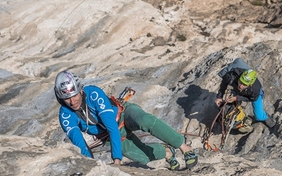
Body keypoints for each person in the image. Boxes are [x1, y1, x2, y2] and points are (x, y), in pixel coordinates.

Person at [54, 70, 197, 170]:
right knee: (143, 158)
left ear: (80, 91)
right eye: (67, 98)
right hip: (109, 137)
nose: (72, 102)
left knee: (145, 121)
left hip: (124, 115)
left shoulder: (94, 94)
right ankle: (167, 152)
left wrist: (117, 159)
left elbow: (111, 126)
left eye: (74, 96)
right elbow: (81, 145)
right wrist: (91, 167)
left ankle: (185, 148)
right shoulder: (65, 115)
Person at [215, 67, 275, 132]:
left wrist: (236, 98)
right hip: (238, 90)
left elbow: (251, 98)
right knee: (233, 107)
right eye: (240, 82)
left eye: (244, 84)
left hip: (252, 95)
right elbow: (224, 82)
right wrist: (219, 97)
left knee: (259, 116)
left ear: (250, 84)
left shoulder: (255, 89)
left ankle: (265, 117)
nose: (241, 85)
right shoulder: (232, 76)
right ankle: (239, 120)